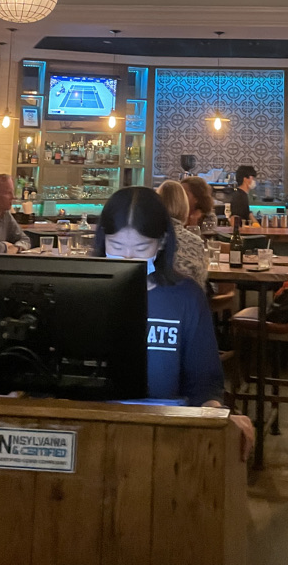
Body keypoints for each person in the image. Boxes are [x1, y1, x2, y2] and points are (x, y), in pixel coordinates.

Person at [100, 187, 254, 457]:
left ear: (161, 243)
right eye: (116, 246)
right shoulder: (86, 292)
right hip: (97, 426)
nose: (127, 258)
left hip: (166, 432)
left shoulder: (186, 297)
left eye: (140, 248)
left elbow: (205, 381)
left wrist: (218, 413)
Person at [156, 180, 208, 291]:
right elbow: (200, 285)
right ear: (184, 206)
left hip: (151, 300)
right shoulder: (195, 242)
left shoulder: (147, 239)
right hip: (187, 299)